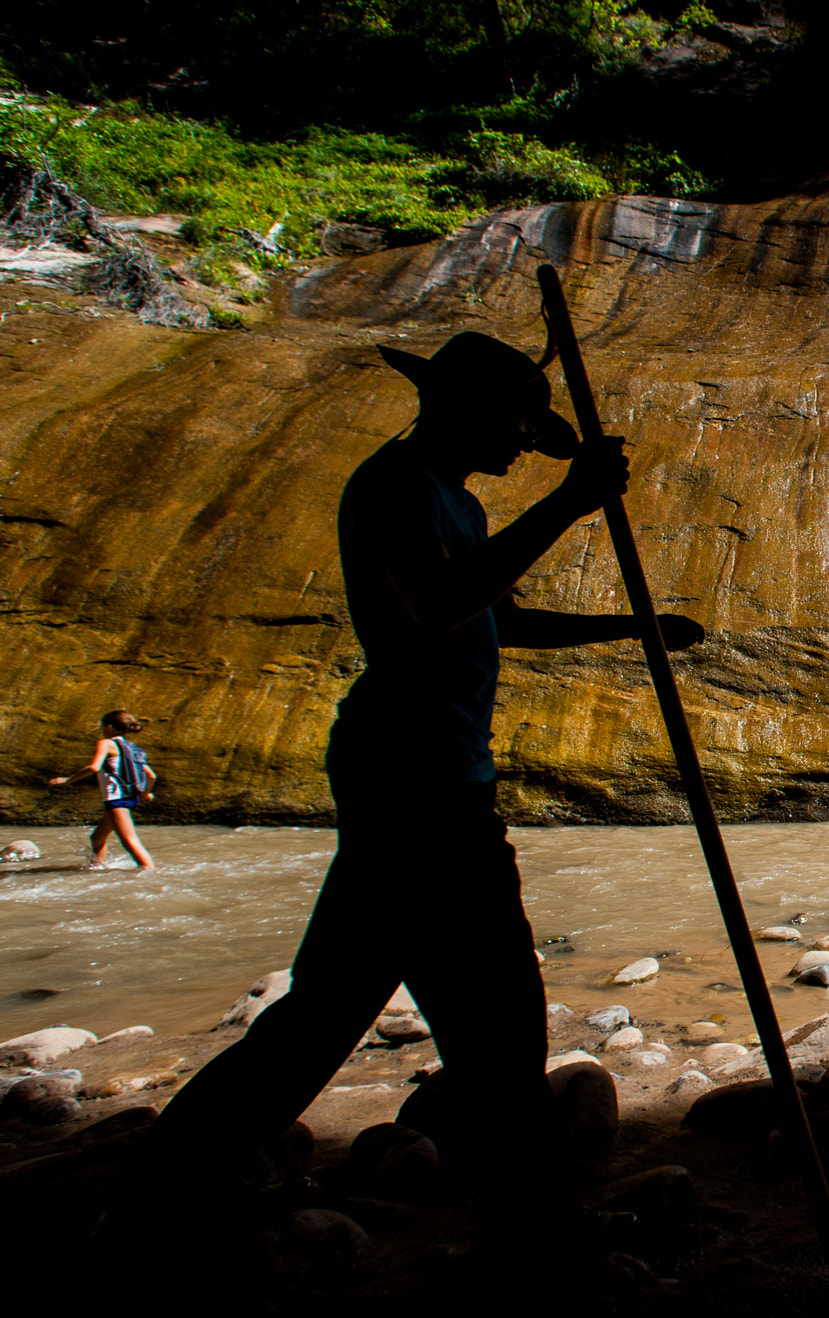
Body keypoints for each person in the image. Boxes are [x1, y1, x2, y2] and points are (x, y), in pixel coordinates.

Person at [128, 330, 704, 1253]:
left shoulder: (460, 506)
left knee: (339, 1013)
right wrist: (568, 503)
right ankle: (532, 1228)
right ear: (466, 409)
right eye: (519, 423)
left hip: (435, 778)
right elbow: (433, 606)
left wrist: (629, 626)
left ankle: (169, 1184)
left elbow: (494, 615)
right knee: (494, 1015)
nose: (525, 444)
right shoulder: (394, 486)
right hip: (412, 781)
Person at [48, 709, 156, 869]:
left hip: (117, 800)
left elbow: (94, 767)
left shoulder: (106, 743)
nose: (102, 729)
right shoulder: (134, 748)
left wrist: (67, 780)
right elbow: (151, 776)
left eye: (103, 726)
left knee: (130, 842)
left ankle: (150, 874)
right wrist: (144, 794)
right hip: (130, 799)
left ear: (109, 726)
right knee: (97, 838)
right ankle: (99, 868)